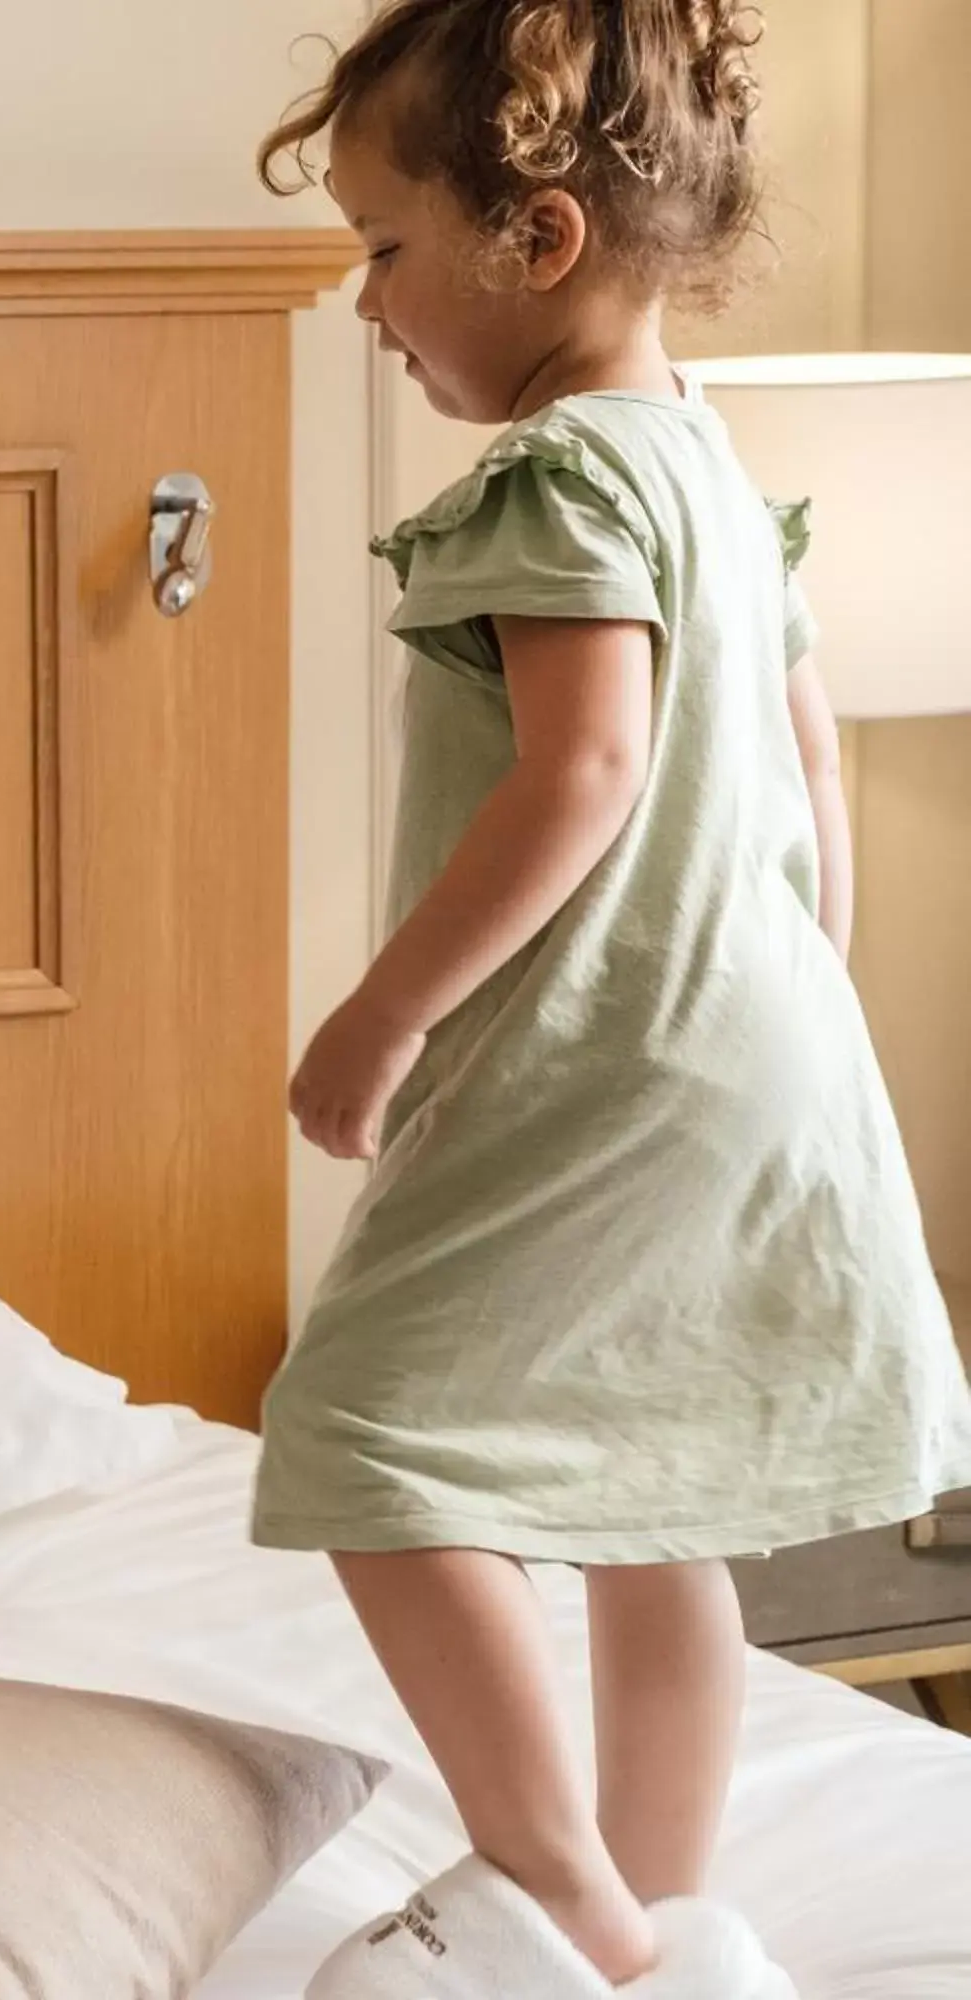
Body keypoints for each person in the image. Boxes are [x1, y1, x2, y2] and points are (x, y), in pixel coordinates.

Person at [252, 7, 971, 1995]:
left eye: (388, 246)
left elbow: (583, 771)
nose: (368, 301)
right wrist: (797, 1001)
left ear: (538, 240)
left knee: (367, 1438)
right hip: (763, 1043)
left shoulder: (559, 478)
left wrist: (382, 1015)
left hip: (613, 1050)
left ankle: (557, 1886)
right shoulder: (719, 475)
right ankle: (665, 1933)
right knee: (661, 1492)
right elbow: (815, 786)